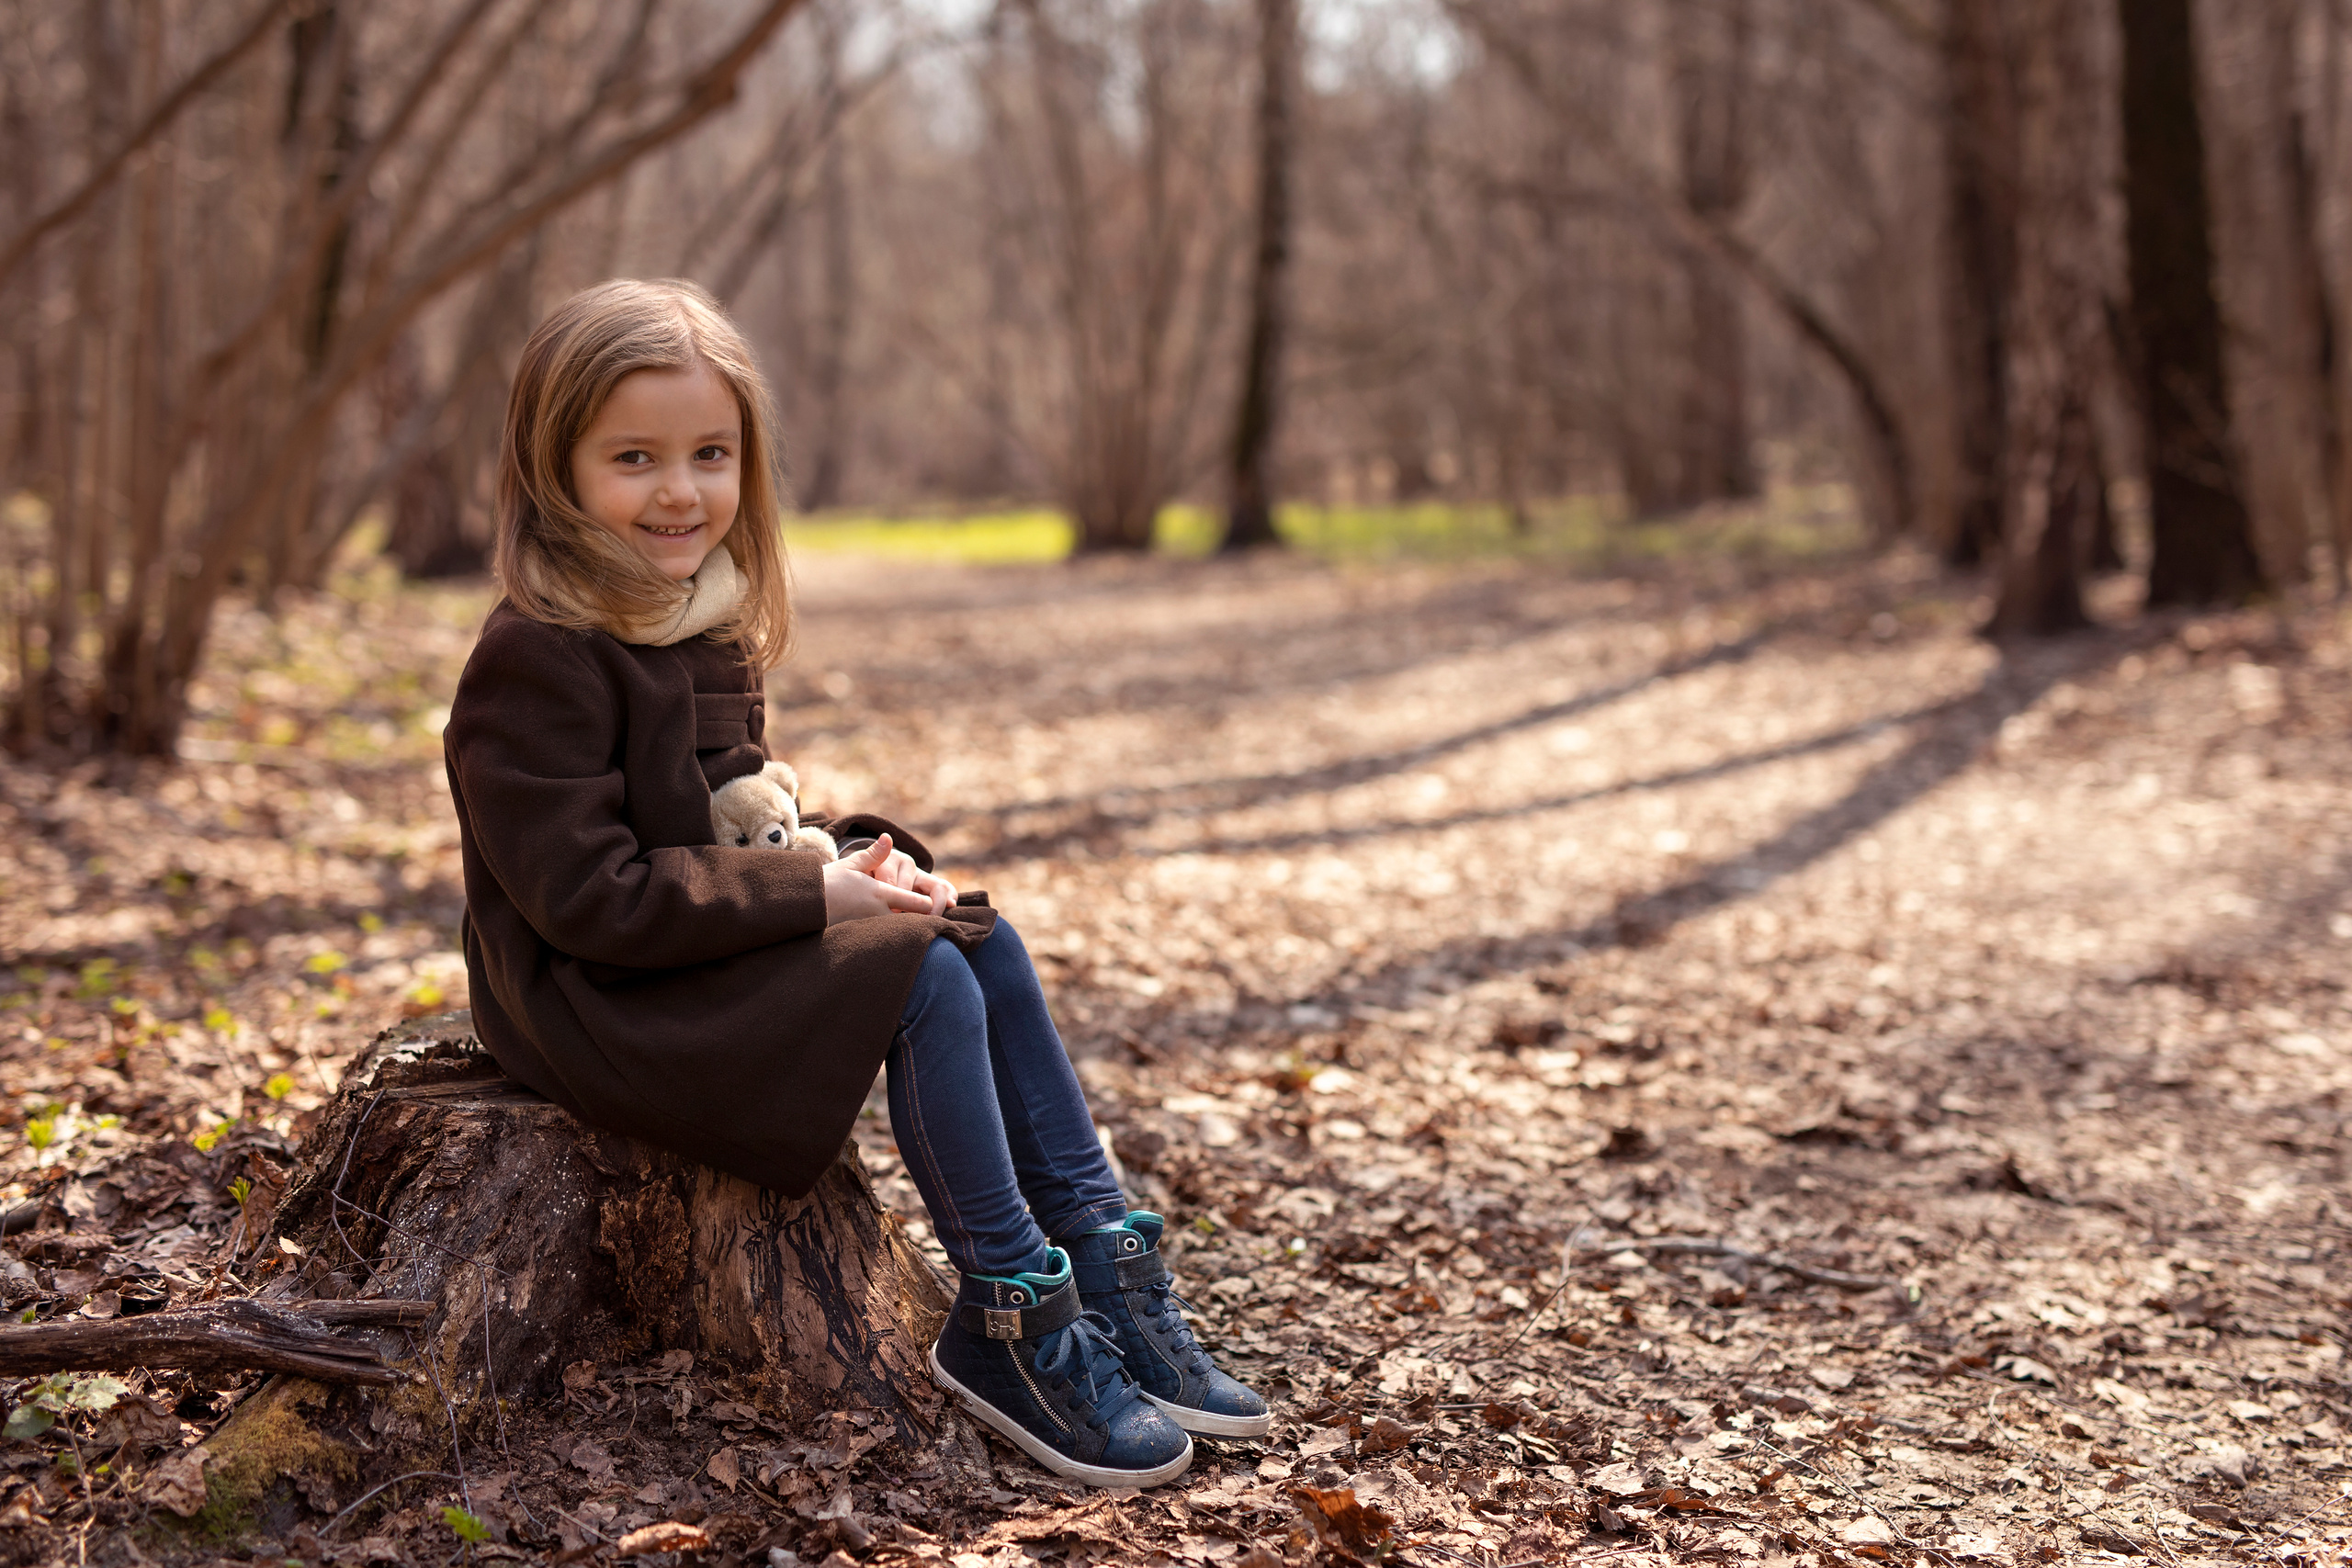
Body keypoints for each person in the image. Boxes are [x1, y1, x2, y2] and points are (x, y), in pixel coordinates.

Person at [442, 278, 1267, 1489]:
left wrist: (835, 860)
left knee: (970, 930)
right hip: (589, 1005)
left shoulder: (696, 618)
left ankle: (1103, 1266)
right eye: (634, 458)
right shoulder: (537, 656)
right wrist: (816, 903)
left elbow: (723, 824)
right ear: (553, 468)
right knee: (921, 981)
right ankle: (1008, 1312)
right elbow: (596, 902)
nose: (680, 490)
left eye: (709, 454)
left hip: (671, 959)